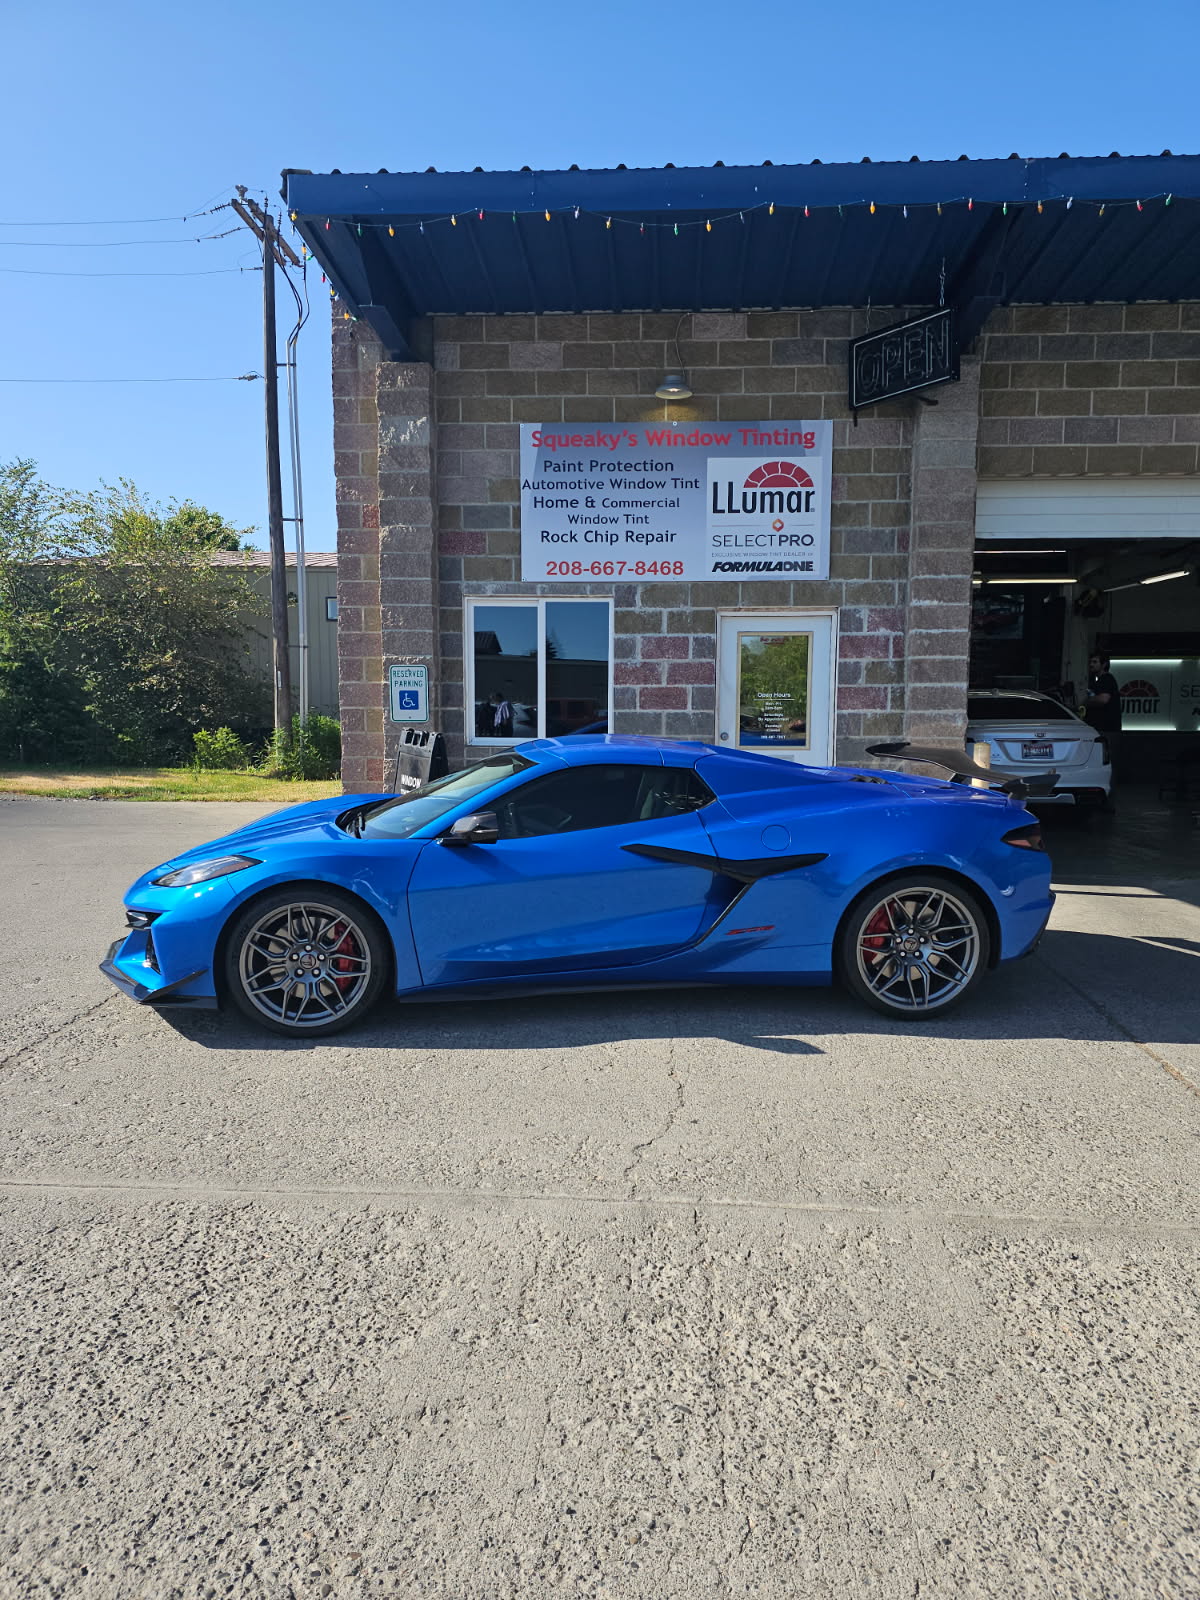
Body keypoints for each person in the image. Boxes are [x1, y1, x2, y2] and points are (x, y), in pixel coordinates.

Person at [1083, 650, 1122, 799]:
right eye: (1090, 662)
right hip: (1102, 730)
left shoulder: (1107, 679)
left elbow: (1103, 699)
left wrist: (1087, 701)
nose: (1091, 665)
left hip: (1108, 730)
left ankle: (1108, 801)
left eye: (1095, 662)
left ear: (1104, 664)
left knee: (1108, 765)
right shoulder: (1097, 681)